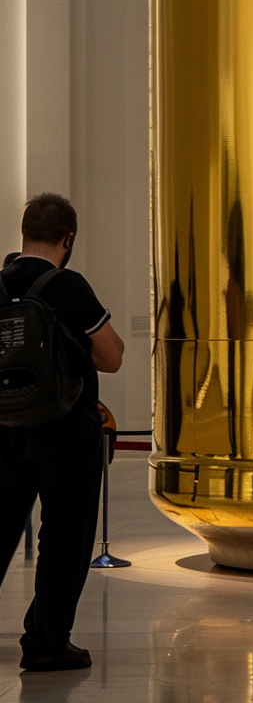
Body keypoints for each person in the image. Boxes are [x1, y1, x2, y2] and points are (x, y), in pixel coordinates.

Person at [0, 193, 125, 672]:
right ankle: (47, 642)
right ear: (67, 238)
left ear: (24, 232)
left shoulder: (0, 282)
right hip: (65, 430)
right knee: (65, 535)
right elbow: (111, 358)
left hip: (4, 427)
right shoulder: (67, 284)